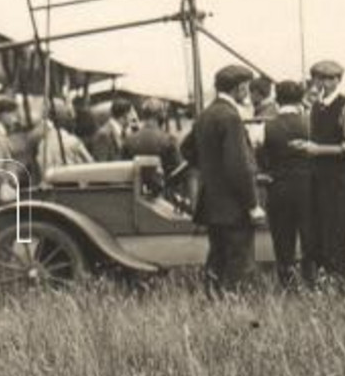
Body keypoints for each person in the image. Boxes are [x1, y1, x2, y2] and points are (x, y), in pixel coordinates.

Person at [186, 64, 265, 293]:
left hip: (212, 203)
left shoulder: (206, 115)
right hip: (234, 206)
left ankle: (214, 306)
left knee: (217, 259)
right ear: (240, 88)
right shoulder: (230, 117)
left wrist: (211, 170)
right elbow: (239, 167)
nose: (248, 92)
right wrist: (253, 205)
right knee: (240, 263)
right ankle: (234, 314)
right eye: (247, 88)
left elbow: (186, 149)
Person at [293, 59, 345, 284]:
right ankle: (323, 286)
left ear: (337, 80)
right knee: (316, 237)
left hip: (340, 183)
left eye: (327, 78)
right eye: (318, 78)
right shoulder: (314, 108)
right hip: (316, 182)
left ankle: (341, 286)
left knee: (337, 237)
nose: (322, 83)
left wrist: (317, 150)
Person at [258, 80, 315, 287]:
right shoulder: (312, 123)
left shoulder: (266, 126)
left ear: (276, 99)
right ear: (301, 99)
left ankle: (288, 286)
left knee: (283, 242)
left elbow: (260, 158)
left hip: (279, 189)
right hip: (308, 190)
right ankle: (312, 283)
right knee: (310, 239)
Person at [34, 99, 94, 176]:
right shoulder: (73, 141)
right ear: (65, 119)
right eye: (71, 118)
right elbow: (92, 166)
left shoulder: (42, 145)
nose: (74, 124)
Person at [125, 98, 180, 181]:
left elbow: (123, 169)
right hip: (162, 189)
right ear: (161, 116)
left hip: (135, 189)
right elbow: (177, 171)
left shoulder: (129, 140)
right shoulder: (169, 140)